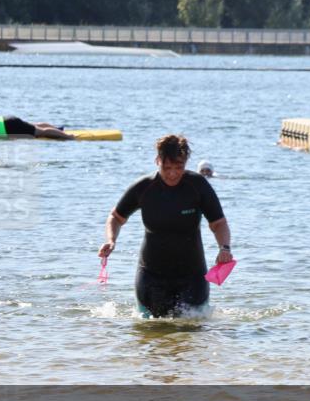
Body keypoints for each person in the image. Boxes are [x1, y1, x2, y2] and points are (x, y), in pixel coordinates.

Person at [98, 135, 232, 318]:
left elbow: (219, 223)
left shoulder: (197, 186)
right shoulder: (144, 188)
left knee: (194, 334)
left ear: (186, 163)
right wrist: (111, 241)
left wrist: (224, 247)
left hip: (192, 275)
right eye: (166, 167)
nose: (173, 173)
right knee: (150, 331)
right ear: (157, 161)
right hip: (151, 275)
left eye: (179, 167)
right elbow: (116, 217)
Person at [0, 108, 75, 140]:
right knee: (35, 126)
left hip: (9, 127)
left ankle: (68, 136)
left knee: (39, 132)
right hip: (8, 120)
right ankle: (58, 129)